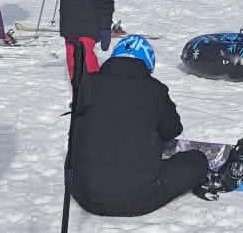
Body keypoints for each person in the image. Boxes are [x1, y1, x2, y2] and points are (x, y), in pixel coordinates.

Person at [67, 36, 211, 216]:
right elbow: (172, 129)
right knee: (197, 160)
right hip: (136, 198)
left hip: (83, 193)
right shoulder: (154, 89)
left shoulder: (87, 85)